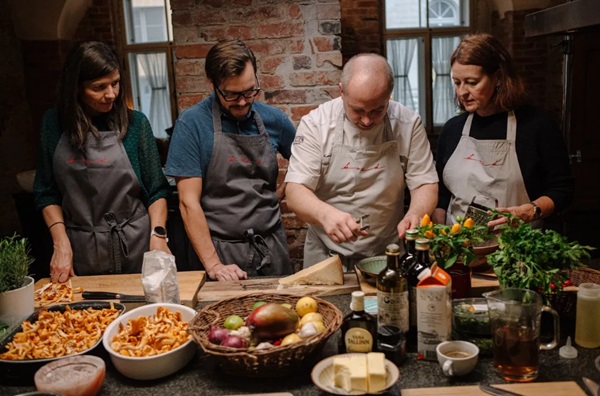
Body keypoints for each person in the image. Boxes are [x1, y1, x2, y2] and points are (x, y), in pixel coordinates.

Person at [33, 41, 171, 283]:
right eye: (99, 87)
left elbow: (157, 189)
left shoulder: (136, 124)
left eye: (115, 83)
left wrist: (158, 236)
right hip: (81, 250)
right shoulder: (53, 125)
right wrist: (60, 241)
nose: (111, 94)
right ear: (76, 87)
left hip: (138, 245)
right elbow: (46, 192)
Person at [285, 53, 439, 267]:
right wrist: (325, 214)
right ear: (341, 91)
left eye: (377, 110)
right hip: (326, 255)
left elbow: (424, 182)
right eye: (358, 110)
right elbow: (294, 191)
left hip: (389, 252)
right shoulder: (316, 124)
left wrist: (415, 213)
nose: (367, 120)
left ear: (389, 96)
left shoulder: (407, 123)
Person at [165, 39, 295, 281]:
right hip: (221, 252)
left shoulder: (274, 119)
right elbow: (187, 202)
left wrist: (282, 191)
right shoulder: (192, 124)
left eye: (250, 91)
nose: (244, 101)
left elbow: (305, 162)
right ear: (213, 85)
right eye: (233, 95)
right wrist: (214, 265)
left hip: (272, 246)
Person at [432, 33, 573, 228]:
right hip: (461, 248)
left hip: (518, 247)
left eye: (472, 82)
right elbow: (442, 192)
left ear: (498, 78)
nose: (462, 92)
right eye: (457, 82)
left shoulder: (536, 126)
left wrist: (529, 211)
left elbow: (563, 189)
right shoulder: (452, 130)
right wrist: (439, 230)